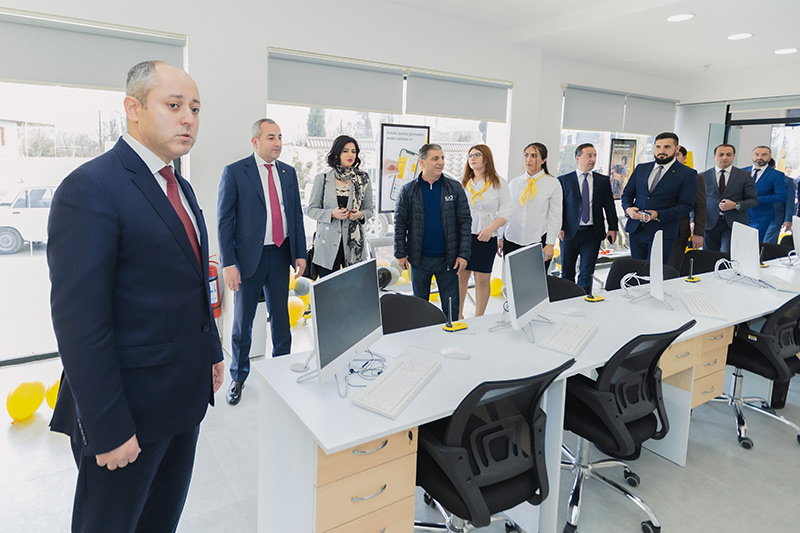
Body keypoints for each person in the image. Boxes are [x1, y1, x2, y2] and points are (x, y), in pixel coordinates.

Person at [47, 60, 224, 532]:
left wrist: (212, 350)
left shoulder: (179, 186)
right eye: (174, 105)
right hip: (127, 415)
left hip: (182, 402)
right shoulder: (90, 187)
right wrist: (108, 427)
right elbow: (80, 323)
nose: (188, 119)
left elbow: (193, 282)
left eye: (195, 109)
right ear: (133, 108)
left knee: (159, 522)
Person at [217, 118, 307, 405]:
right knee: (242, 322)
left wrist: (300, 252)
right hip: (247, 259)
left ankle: (280, 373)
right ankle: (238, 377)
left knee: (281, 319)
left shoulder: (288, 172)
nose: (277, 143)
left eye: (280, 137)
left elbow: (295, 214)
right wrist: (228, 263)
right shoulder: (235, 172)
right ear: (255, 141)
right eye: (271, 137)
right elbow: (224, 221)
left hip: (280, 254)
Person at [394, 143, 471, 319]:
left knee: (451, 308)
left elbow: (465, 222)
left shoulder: (454, 188)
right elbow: (400, 224)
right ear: (421, 162)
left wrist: (463, 254)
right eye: (435, 158)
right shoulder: (408, 190)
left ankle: (450, 333)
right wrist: (400, 253)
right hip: (419, 260)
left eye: (442, 158)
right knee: (419, 307)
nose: (440, 162)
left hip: (449, 261)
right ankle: (423, 335)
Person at [621, 132, 698, 261]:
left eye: (667, 147)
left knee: (654, 270)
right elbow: (627, 194)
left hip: (663, 232)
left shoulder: (688, 174)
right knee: (637, 268)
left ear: (677, 148)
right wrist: (628, 209)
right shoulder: (641, 168)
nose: (661, 151)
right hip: (636, 229)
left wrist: (658, 214)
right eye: (658, 147)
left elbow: (686, 205)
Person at [306, 135, 374, 278]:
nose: (350, 155)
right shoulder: (323, 178)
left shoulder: (363, 178)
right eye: (345, 151)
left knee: (354, 286)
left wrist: (360, 215)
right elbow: (311, 210)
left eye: (353, 151)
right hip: (328, 244)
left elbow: (369, 209)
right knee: (329, 288)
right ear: (337, 154)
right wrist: (331, 213)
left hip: (354, 244)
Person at [457, 144, 512, 318]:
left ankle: (478, 317)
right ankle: (458, 315)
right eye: (470, 156)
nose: (472, 158)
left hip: (486, 236)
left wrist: (491, 229)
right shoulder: (462, 182)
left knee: (482, 279)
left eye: (477, 155)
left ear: (486, 158)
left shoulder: (498, 183)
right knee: (461, 275)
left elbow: (507, 211)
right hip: (463, 236)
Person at [557, 143, 618, 295]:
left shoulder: (602, 181)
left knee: (586, 273)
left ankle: (583, 300)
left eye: (595, 155)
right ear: (578, 158)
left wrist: (613, 228)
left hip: (592, 234)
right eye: (589, 156)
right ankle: (566, 300)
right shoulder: (564, 181)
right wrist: (559, 227)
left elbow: (609, 206)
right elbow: (558, 207)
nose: (593, 159)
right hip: (569, 233)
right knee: (567, 273)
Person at [504, 142, 562, 269]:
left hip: (538, 241)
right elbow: (506, 212)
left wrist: (550, 244)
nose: (528, 159)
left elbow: (555, 216)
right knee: (512, 278)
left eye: (534, 156)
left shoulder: (552, 184)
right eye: (526, 155)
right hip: (511, 239)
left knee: (535, 279)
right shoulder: (514, 183)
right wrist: (500, 237)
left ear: (544, 160)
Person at [701, 144, 758, 252]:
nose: (724, 157)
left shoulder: (744, 175)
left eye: (728, 154)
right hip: (709, 223)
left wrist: (736, 205)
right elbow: (696, 201)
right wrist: (693, 220)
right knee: (708, 255)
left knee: (727, 254)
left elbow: (753, 200)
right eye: (721, 154)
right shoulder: (703, 176)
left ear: (733, 156)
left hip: (733, 223)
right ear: (714, 156)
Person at [667, 145, 706, 270]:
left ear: (685, 158)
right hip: (655, 229)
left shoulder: (694, 177)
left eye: (677, 155)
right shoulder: (658, 174)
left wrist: (698, 233)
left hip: (679, 230)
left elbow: (700, 206)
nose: (674, 158)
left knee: (672, 268)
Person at [742, 146, 786, 243]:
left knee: (754, 244)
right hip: (740, 214)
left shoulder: (776, 175)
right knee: (738, 243)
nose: (760, 157)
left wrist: (757, 200)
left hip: (761, 217)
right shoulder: (741, 171)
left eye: (764, 155)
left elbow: (781, 196)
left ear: (769, 158)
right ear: (752, 156)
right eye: (757, 154)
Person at [765, 157, 796, 243]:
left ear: (774, 167)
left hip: (775, 217)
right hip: (755, 217)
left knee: (768, 242)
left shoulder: (787, 181)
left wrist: (788, 220)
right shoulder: (753, 178)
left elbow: (790, 202)